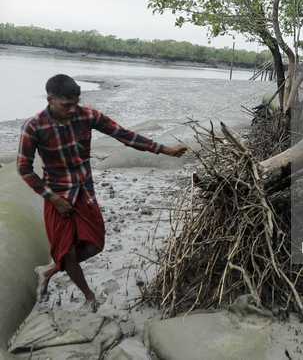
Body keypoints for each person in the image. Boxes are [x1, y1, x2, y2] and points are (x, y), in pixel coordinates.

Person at [17, 74, 187, 312]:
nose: (72, 109)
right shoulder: (33, 126)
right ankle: (89, 296)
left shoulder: (88, 115)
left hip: (85, 191)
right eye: (66, 105)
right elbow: (23, 168)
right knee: (66, 251)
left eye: (75, 103)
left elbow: (124, 135)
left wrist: (165, 149)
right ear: (50, 99)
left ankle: (47, 270)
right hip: (56, 197)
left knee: (96, 245)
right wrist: (53, 198)